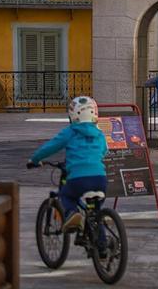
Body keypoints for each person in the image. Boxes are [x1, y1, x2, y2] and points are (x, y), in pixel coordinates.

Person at [27, 96, 108, 231]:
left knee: (66, 195)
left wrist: (34, 160)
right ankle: (102, 245)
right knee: (96, 215)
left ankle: (72, 214)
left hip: (78, 178)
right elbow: (104, 150)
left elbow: (50, 147)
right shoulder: (100, 134)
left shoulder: (70, 132)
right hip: (100, 178)